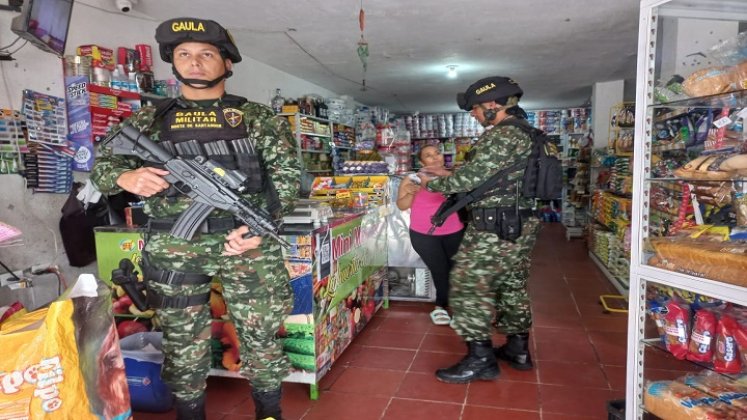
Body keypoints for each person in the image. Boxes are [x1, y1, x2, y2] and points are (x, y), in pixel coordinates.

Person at [91, 17, 300, 420]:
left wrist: (259, 230)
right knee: (182, 337)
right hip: (175, 246)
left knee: (259, 333)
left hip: (247, 243)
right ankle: (190, 413)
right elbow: (104, 165)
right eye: (185, 54)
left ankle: (269, 412)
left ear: (227, 63)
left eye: (207, 54)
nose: (195, 62)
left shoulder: (257, 119)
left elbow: (287, 181)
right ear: (173, 62)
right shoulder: (148, 121)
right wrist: (125, 175)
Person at [418, 76, 540, 383]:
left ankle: (480, 358)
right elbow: (493, 175)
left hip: (494, 225)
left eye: (474, 109)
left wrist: (433, 182)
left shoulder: (502, 135)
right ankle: (517, 348)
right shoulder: (531, 134)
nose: (472, 115)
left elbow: (466, 182)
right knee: (512, 283)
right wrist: (452, 172)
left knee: (467, 284)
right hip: (521, 222)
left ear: (492, 104)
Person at [396, 145, 465, 325]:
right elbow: (401, 206)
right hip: (424, 234)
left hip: (454, 230)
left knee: (456, 269)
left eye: (437, 153)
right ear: (421, 161)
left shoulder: (454, 177)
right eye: (429, 156)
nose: (435, 158)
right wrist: (412, 193)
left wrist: (447, 176)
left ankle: (458, 308)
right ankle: (440, 306)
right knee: (440, 270)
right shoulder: (413, 179)